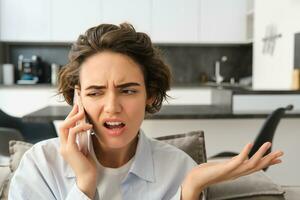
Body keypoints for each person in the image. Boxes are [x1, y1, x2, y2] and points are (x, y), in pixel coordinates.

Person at [8, 23, 284, 200]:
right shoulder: (40, 166)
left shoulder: (180, 168)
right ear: (77, 98)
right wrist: (84, 183)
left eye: (128, 90)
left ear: (149, 94)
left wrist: (189, 190)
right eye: (95, 92)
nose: (112, 107)